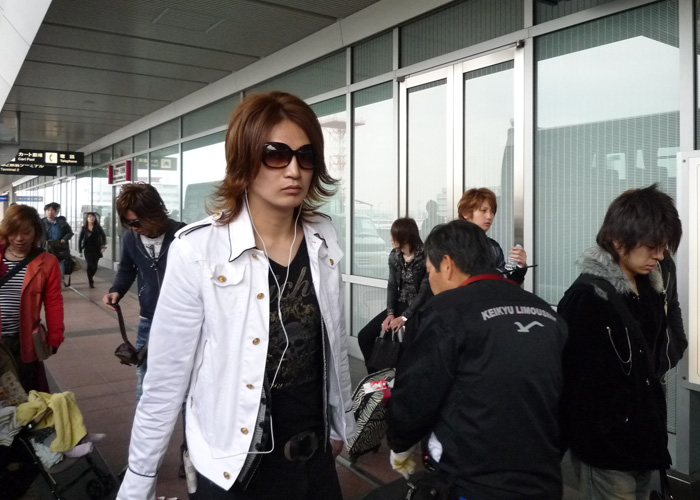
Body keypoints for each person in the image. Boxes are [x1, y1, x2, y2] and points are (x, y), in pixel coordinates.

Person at [116, 91, 356, 500]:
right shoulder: (198, 249)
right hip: (235, 466)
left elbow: (330, 343)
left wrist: (339, 423)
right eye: (276, 154)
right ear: (244, 160)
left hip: (313, 457)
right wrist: (139, 480)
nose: (294, 169)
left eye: (305, 156)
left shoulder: (323, 237)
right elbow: (165, 379)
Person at [386, 219, 567, 499]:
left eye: (430, 271)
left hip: (469, 481)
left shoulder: (444, 313)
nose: (430, 280)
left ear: (447, 265)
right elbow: (569, 399)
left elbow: (416, 392)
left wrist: (400, 444)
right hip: (544, 479)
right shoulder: (546, 312)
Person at [557, 184, 683, 500]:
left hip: (645, 444)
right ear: (618, 240)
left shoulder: (650, 288)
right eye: (652, 246)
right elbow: (573, 385)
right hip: (606, 451)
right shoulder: (586, 298)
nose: (660, 255)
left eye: (663, 246)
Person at [101, 183, 185, 402]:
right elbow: (127, 269)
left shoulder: (182, 235)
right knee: (146, 380)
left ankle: (189, 425)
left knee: (187, 382)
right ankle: (144, 425)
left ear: (154, 213)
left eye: (137, 222)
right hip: (149, 318)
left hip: (183, 320)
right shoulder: (130, 238)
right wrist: (116, 290)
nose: (134, 227)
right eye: (128, 223)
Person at [0, 204, 64, 392]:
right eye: (13, 232)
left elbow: (53, 301)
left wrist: (55, 336)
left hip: (24, 340)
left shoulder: (47, 262)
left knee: (27, 391)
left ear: (36, 231)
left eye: (26, 232)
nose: (19, 238)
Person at [357, 217, 430, 372]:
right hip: (400, 303)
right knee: (365, 336)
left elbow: (423, 293)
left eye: (394, 235)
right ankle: (377, 379)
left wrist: (404, 317)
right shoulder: (394, 255)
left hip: (419, 307)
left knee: (406, 346)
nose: (390, 239)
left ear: (405, 237)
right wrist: (390, 313)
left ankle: (400, 380)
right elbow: (392, 285)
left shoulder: (425, 257)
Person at [457, 187, 528, 284]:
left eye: (492, 212)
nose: (489, 216)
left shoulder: (493, 247)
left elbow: (505, 285)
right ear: (466, 213)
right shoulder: (452, 244)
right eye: (483, 210)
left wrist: (520, 266)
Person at [41, 202, 74, 279]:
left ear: (56, 212)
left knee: (60, 268)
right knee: (46, 269)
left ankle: (59, 281)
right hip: (46, 248)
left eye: (52, 210)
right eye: (48, 210)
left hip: (59, 248)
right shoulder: (41, 223)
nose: (50, 212)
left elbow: (69, 232)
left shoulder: (62, 223)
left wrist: (64, 239)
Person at [78, 212, 107, 288]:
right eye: (90, 217)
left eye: (93, 217)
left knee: (95, 267)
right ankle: (90, 280)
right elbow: (80, 239)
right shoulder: (84, 228)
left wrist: (103, 246)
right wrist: (80, 250)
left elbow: (103, 236)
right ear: (87, 219)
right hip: (88, 250)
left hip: (96, 249)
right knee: (90, 265)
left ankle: (91, 277)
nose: (91, 218)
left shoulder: (98, 227)